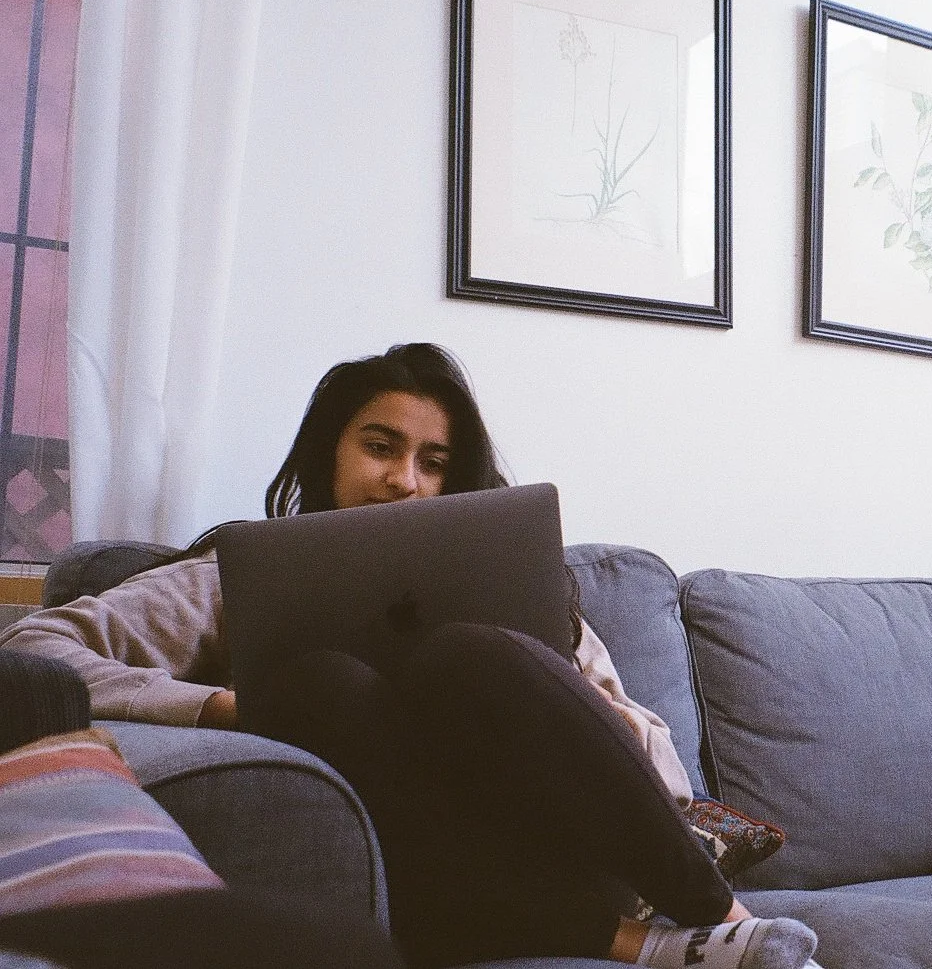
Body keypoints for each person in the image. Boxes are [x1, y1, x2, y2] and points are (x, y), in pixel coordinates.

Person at [0, 344, 819, 969]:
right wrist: (221, 705)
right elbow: (35, 643)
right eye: (380, 446)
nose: (405, 480)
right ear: (329, 452)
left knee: (469, 654)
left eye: (433, 462)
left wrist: (576, 704)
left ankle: (727, 927)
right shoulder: (231, 578)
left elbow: (656, 764)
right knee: (317, 681)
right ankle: (641, 944)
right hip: (412, 870)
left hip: (572, 845)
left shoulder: (518, 583)